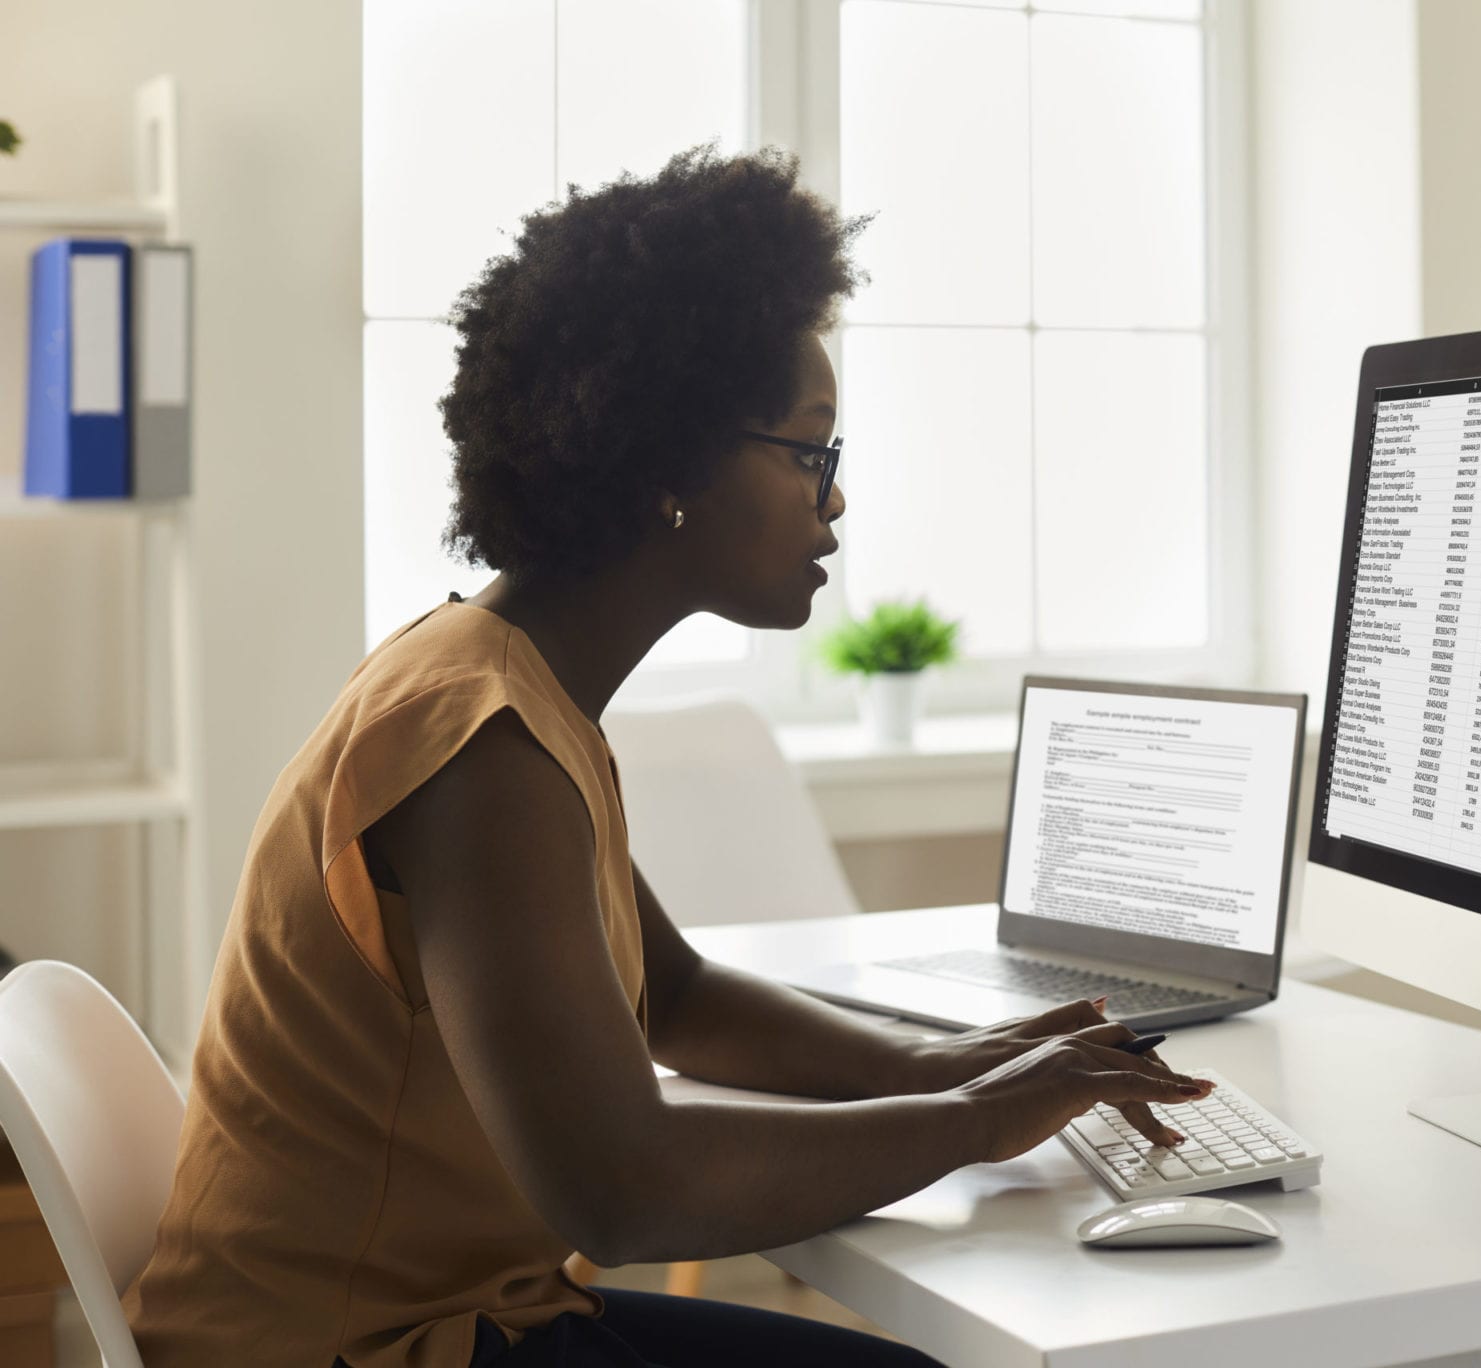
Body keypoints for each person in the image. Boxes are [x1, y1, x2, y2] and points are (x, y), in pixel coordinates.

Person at [121, 145, 1214, 1368]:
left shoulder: (509, 687)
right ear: (667, 469)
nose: (833, 502)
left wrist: (952, 1062)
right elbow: (624, 1194)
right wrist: (971, 1120)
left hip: (464, 1317)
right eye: (810, 453)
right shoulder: (478, 750)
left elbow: (679, 998)